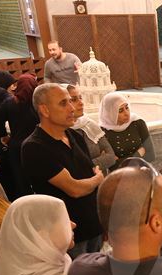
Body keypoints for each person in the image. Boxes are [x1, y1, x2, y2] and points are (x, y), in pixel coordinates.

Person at [21, 83, 104, 257]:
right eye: (63, 103)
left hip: (94, 226)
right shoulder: (35, 147)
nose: (72, 108)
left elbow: (88, 175)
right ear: (44, 110)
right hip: (69, 235)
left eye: (71, 101)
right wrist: (97, 179)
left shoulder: (75, 136)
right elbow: (74, 189)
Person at [0, 73, 39, 199]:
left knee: (21, 181)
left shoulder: (10, 102)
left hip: (16, 146)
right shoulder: (38, 103)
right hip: (37, 144)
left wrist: (3, 136)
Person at [66, 84, 117, 174]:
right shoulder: (62, 131)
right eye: (73, 100)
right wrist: (100, 160)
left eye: (80, 97)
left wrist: (86, 166)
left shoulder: (90, 124)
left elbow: (111, 157)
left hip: (101, 182)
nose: (81, 102)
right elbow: (72, 169)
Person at [99, 92, 155, 169]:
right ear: (111, 113)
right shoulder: (103, 131)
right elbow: (112, 165)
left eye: (127, 107)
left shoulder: (138, 122)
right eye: (120, 110)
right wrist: (139, 153)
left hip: (142, 171)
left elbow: (151, 155)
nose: (126, 113)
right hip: (119, 176)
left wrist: (121, 161)